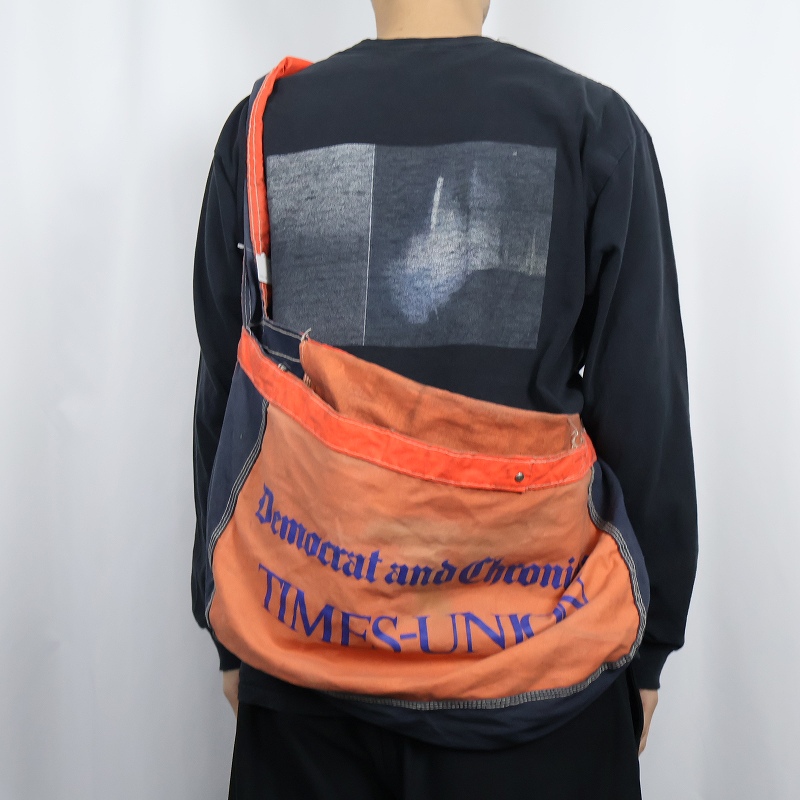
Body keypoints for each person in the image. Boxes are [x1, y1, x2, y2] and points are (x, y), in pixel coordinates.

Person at [191, 1, 698, 797]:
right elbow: (645, 408)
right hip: (541, 686)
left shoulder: (263, 126)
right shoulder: (591, 125)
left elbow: (229, 396)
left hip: (305, 674)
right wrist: (651, 641)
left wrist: (228, 629)